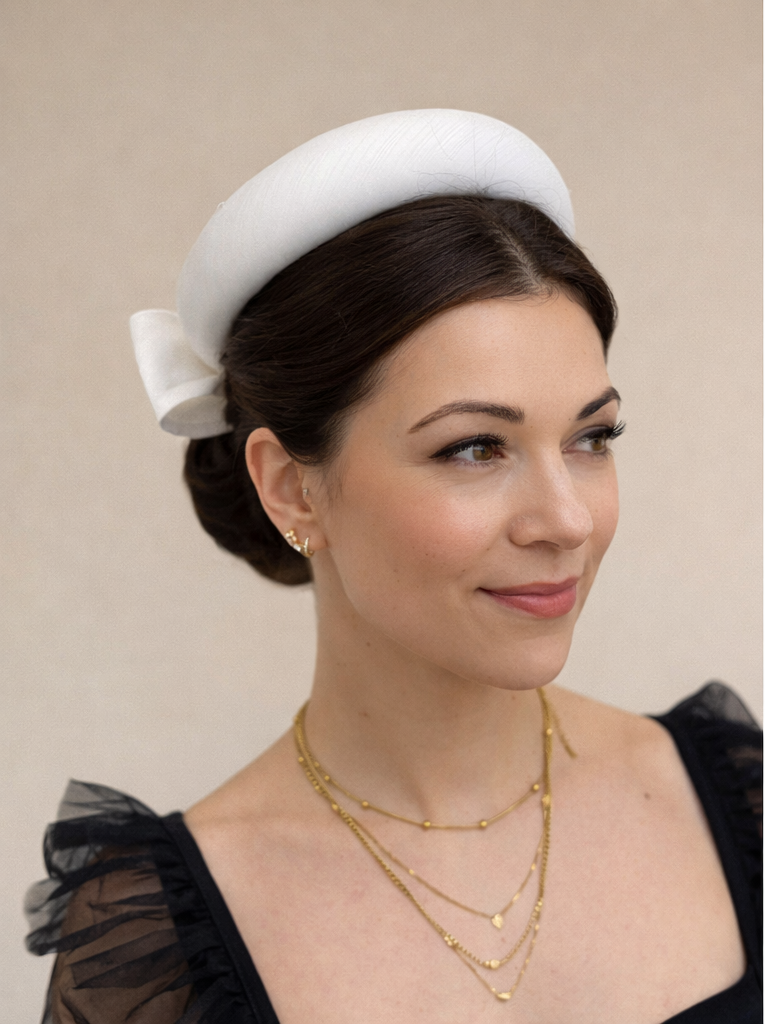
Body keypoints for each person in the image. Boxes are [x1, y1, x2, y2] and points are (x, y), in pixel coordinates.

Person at [25, 110, 761, 1024]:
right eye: (473, 447)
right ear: (291, 488)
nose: (567, 519)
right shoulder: (160, 948)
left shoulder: (740, 801)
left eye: (591, 438)